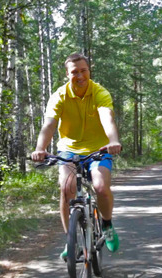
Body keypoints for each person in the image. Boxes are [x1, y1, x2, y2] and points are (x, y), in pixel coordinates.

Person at [31, 53, 122, 259]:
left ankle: (106, 225)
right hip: (69, 150)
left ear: (89, 71)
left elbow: (106, 118)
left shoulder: (99, 92)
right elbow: (49, 125)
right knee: (66, 187)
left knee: (100, 187)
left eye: (83, 70)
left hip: (98, 149)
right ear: (67, 74)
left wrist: (113, 140)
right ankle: (70, 240)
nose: (79, 75)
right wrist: (40, 148)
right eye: (74, 72)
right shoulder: (59, 96)